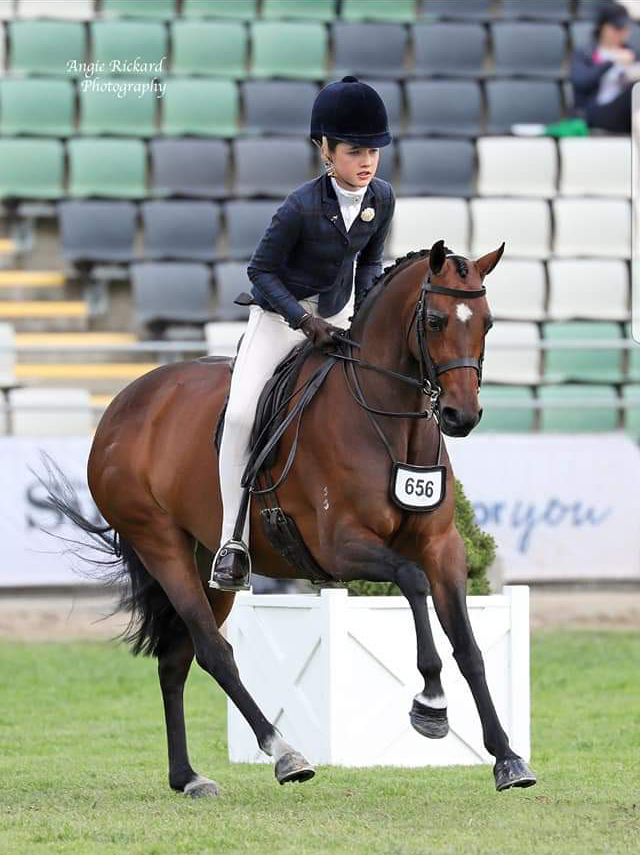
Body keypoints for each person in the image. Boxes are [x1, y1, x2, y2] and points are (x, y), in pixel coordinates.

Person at [209, 76, 396, 592]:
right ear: (325, 149)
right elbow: (260, 272)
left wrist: (366, 318)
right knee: (244, 413)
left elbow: (371, 264)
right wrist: (303, 319)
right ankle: (231, 541)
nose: (367, 162)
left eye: (374, 151)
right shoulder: (299, 206)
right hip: (279, 319)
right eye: (355, 151)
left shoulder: (382, 198)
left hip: (336, 319)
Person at [570, 1, 639, 134]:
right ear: (602, 27)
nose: (621, 32)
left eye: (625, 28)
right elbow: (581, 82)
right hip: (595, 113)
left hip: (628, 114)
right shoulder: (585, 54)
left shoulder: (633, 54)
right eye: (616, 27)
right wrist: (611, 62)